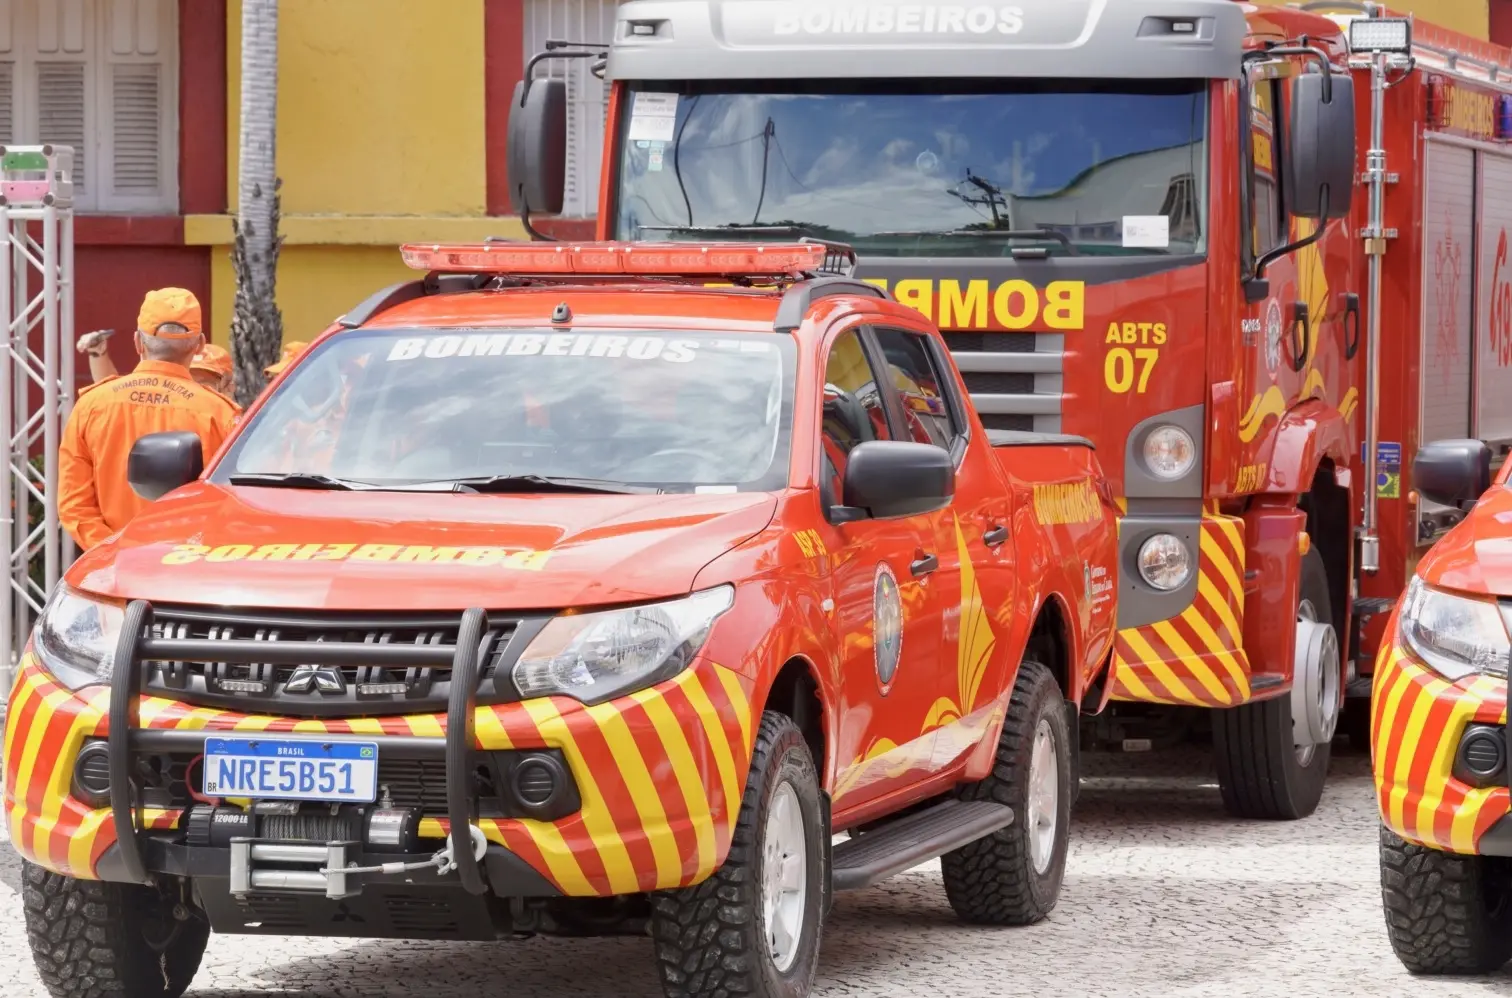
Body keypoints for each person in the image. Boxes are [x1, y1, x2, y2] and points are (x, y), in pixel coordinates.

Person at [58, 288, 240, 550]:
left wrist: (112, 551)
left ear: (137, 342)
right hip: (188, 572)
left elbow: (74, 505)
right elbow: (232, 504)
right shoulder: (220, 413)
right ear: (199, 344)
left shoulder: (92, 404)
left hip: (115, 572)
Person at [78, 330, 237, 398]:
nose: (192, 391)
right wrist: (98, 354)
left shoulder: (238, 428)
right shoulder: (167, 414)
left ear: (229, 389)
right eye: (186, 382)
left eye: (204, 385)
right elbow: (117, 396)